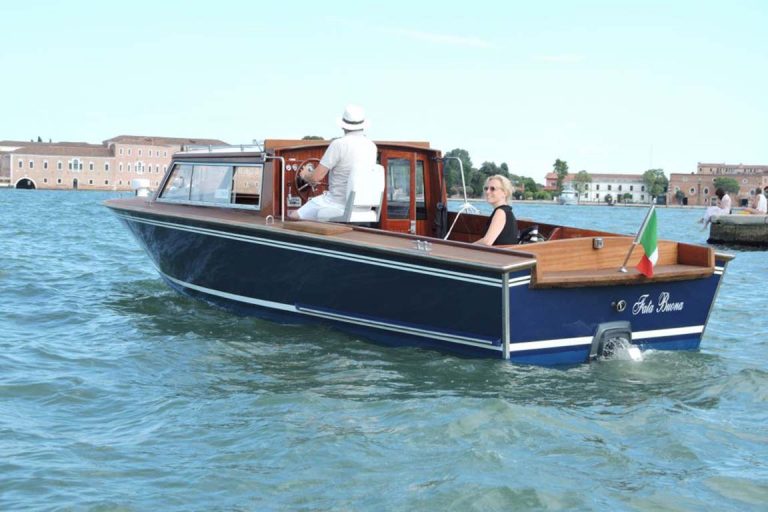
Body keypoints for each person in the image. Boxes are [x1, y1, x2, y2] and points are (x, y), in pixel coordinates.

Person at [289, 104, 377, 220]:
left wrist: (305, 175)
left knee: (293, 216)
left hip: (336, 203)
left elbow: (315, 178)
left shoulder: (339, 144)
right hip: (363, 207)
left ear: (343, 126)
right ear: (363, 125)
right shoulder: (371, 147)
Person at [474, 175, 518, 245]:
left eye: (492, 189)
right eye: (486, 188)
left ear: (505, 193)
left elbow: (487, 242)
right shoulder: (507, 211)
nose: (487, 192)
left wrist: (467, 247)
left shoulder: (500, 212)